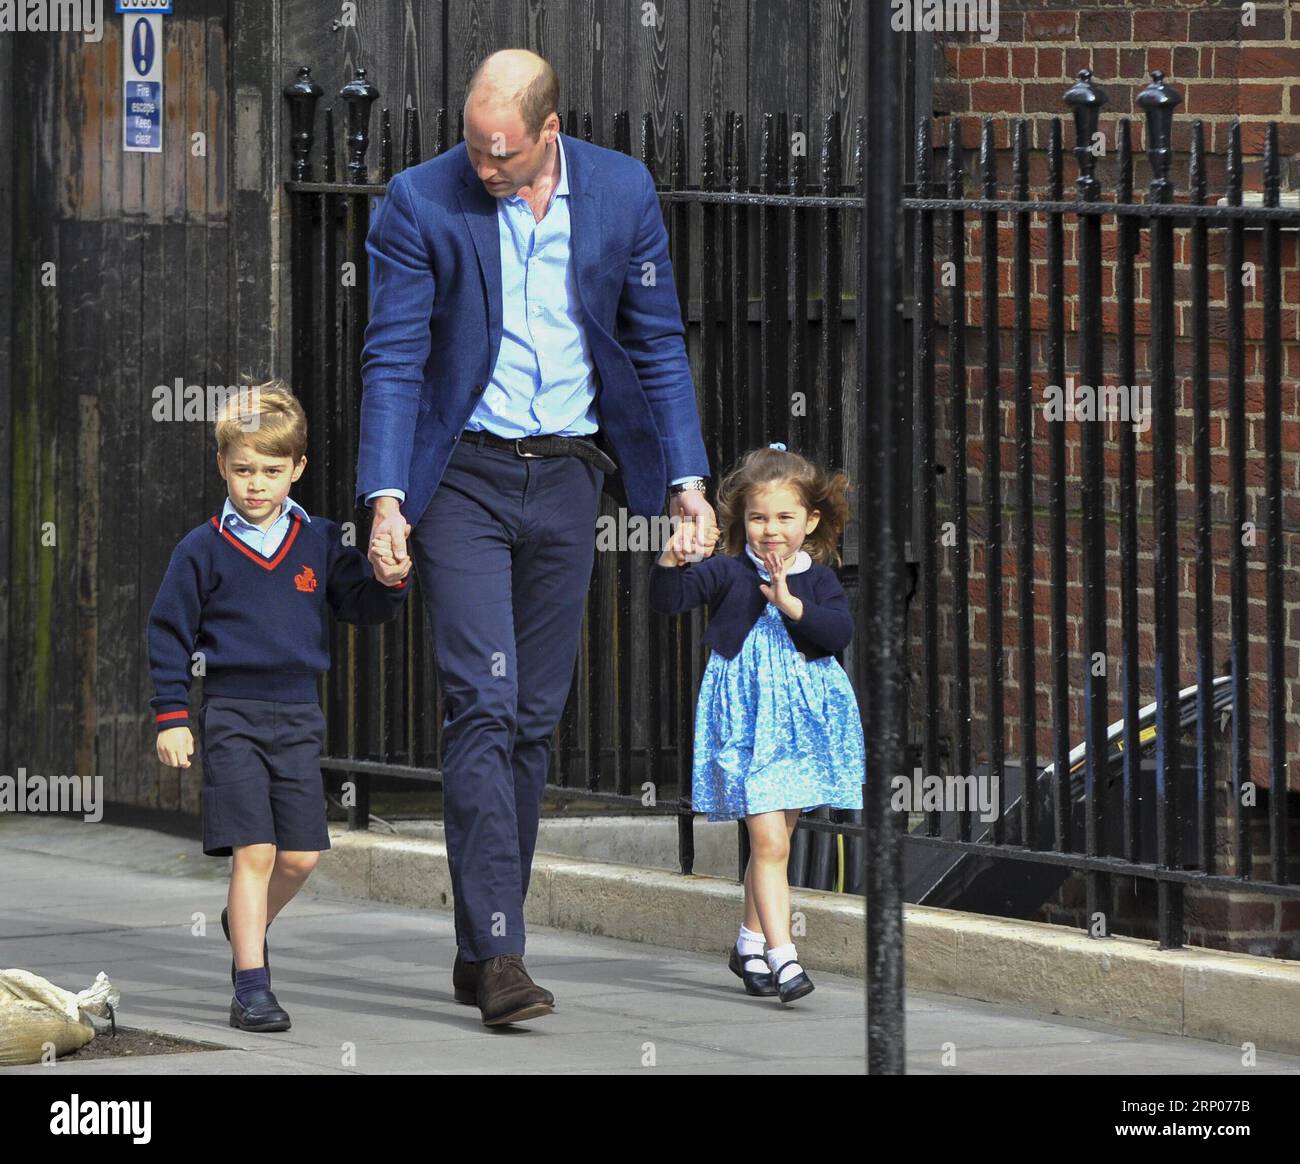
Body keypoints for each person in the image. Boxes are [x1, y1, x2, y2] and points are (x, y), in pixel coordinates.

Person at [359, 49, 717, 1025]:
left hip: (568, 479)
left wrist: (685, 482)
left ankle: (481, 946)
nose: (483, 166)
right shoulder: (418, 201)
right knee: (482, 699)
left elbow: (653, 342)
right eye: (473, 146)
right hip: (461, 479)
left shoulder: (622, 192)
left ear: (548, 132)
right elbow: (393, 356)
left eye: (503, 152)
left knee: (529, 718)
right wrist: (386, 499)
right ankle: (506, 953)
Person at [147, 381, 410, 1033]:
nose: (255, 484)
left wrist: (390, 577)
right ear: (222, 467)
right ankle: (252, 989)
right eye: (242, 470)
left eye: (270, 470)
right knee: (256, 853)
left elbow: (364, 607)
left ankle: (244, 922)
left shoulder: (320, 541)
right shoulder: (201, 549)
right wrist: (172, 717)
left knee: (300, 858)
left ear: (297, 468)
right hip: (231, 713)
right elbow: (167, 632)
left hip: (297, 719)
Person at [648, 443, 865, 1004]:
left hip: (803, 725)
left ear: (811, 520)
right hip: (747, 724)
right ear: (740, 521)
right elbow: (669, 601)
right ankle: (782, 955)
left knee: (778, 841)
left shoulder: (817, 578)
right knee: (768, 840)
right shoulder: (726, 571)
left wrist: (792, 605)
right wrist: (671, 561)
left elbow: (838, 634)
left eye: (785, 517)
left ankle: (747, 942)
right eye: (758, 517)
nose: (771, 530)